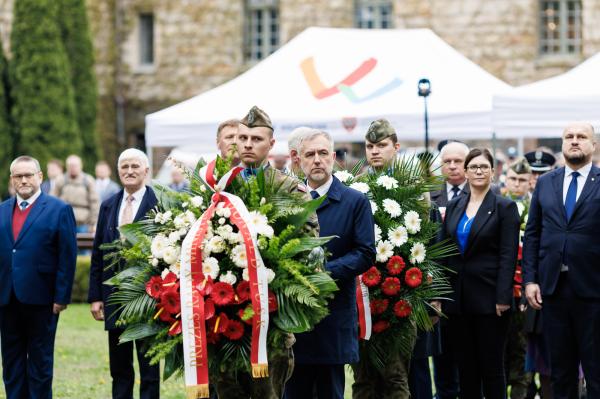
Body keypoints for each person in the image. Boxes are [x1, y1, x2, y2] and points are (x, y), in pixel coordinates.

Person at [213, 106, 317, 399]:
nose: (247, 144)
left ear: (271, 144)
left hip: (270, 320)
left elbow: (308, 246)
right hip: (226, 317)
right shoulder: (220, 185)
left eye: (256, 139)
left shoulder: (289, 189)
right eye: (242, 138)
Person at [285, 129, 376, 399]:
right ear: (298, 160)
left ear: (333, 157)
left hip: (333, 315)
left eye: (323, 153)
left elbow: (365, 252)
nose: (317, 160)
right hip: (294, 315)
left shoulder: (354, 201)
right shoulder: (287, 201)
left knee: (330, 390)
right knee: (294, 390)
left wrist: (323, 273)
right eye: (310, 154)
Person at [523, 122, 600, 398]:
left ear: (593, 145)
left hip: (593, 290)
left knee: (595, 371)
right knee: (560, 372)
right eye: (569, 137)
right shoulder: (546, 182)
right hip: (553, 290)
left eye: (582, 137)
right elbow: (532, 234)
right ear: (562, 143)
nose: (575, 141)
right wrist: (530, 279)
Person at [441, 148, 520, 398]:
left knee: (492, 368)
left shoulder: (505, 207)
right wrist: (441, 295)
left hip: (490, 299)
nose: (478, 171)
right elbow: (445, 252)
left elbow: (509, 256)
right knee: (466, 369)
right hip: (458, 299)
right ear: (465, 172)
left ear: (493, 172)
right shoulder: (454, 207)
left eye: (484, 167)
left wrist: (503, 297)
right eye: (473, 167)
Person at [0, 155, 77, 398]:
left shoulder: (59, 209)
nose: (23, 180)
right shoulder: (1, 210)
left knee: (40, 363)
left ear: (40, 177)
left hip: (43, 299)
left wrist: (61, 296)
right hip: (7, 298)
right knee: (11, 363)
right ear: (12, 179)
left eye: (28, 175)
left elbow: (67, 256)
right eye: (18, 176)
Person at [88, 148, 160, 399]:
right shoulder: (109, 205)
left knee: (149, 368)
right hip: (115, 298)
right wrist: (96, 297)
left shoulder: (159, 204)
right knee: (119, 367)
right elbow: (98, 253)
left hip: (149, 298)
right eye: (124, 167)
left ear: (146, 171)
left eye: (134, 166)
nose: (129, 171)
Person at [351, 119, 414, 399]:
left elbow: (424, 242)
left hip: (400, 296)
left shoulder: (412, 188)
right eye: (370, 146)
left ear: (396, 147)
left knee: (396, 376)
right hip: (362, 295)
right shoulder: (357, 188)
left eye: (381, 145)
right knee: (363, 378)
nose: (375, 151)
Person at [430, 140, 470, 399]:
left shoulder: (481, 193)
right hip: (439, 287)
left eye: (458, 161)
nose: (453, 166)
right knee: (442, 355)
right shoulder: (428, 197)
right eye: (448, 161)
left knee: (470, 357)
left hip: (471, 287)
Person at [503, 158, 532, 399]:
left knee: (523, 350)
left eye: (522, 180)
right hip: (501, 288)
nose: (517, 184)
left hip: (526, 289)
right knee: (500, 349)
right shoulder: (498, 204)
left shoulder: (537, 206)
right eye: (513, 178)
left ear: (530, 181)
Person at [51, 154, 99, 233]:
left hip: (84, 224)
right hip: (63, 223)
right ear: (67, 167)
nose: (73, 168)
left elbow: (95, 202)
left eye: (75, 165)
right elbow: (52, 201)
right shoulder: (60, 180)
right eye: (70, 166)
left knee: (83, 245)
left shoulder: (88, 180)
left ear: (81, 166)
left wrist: (93, 223)